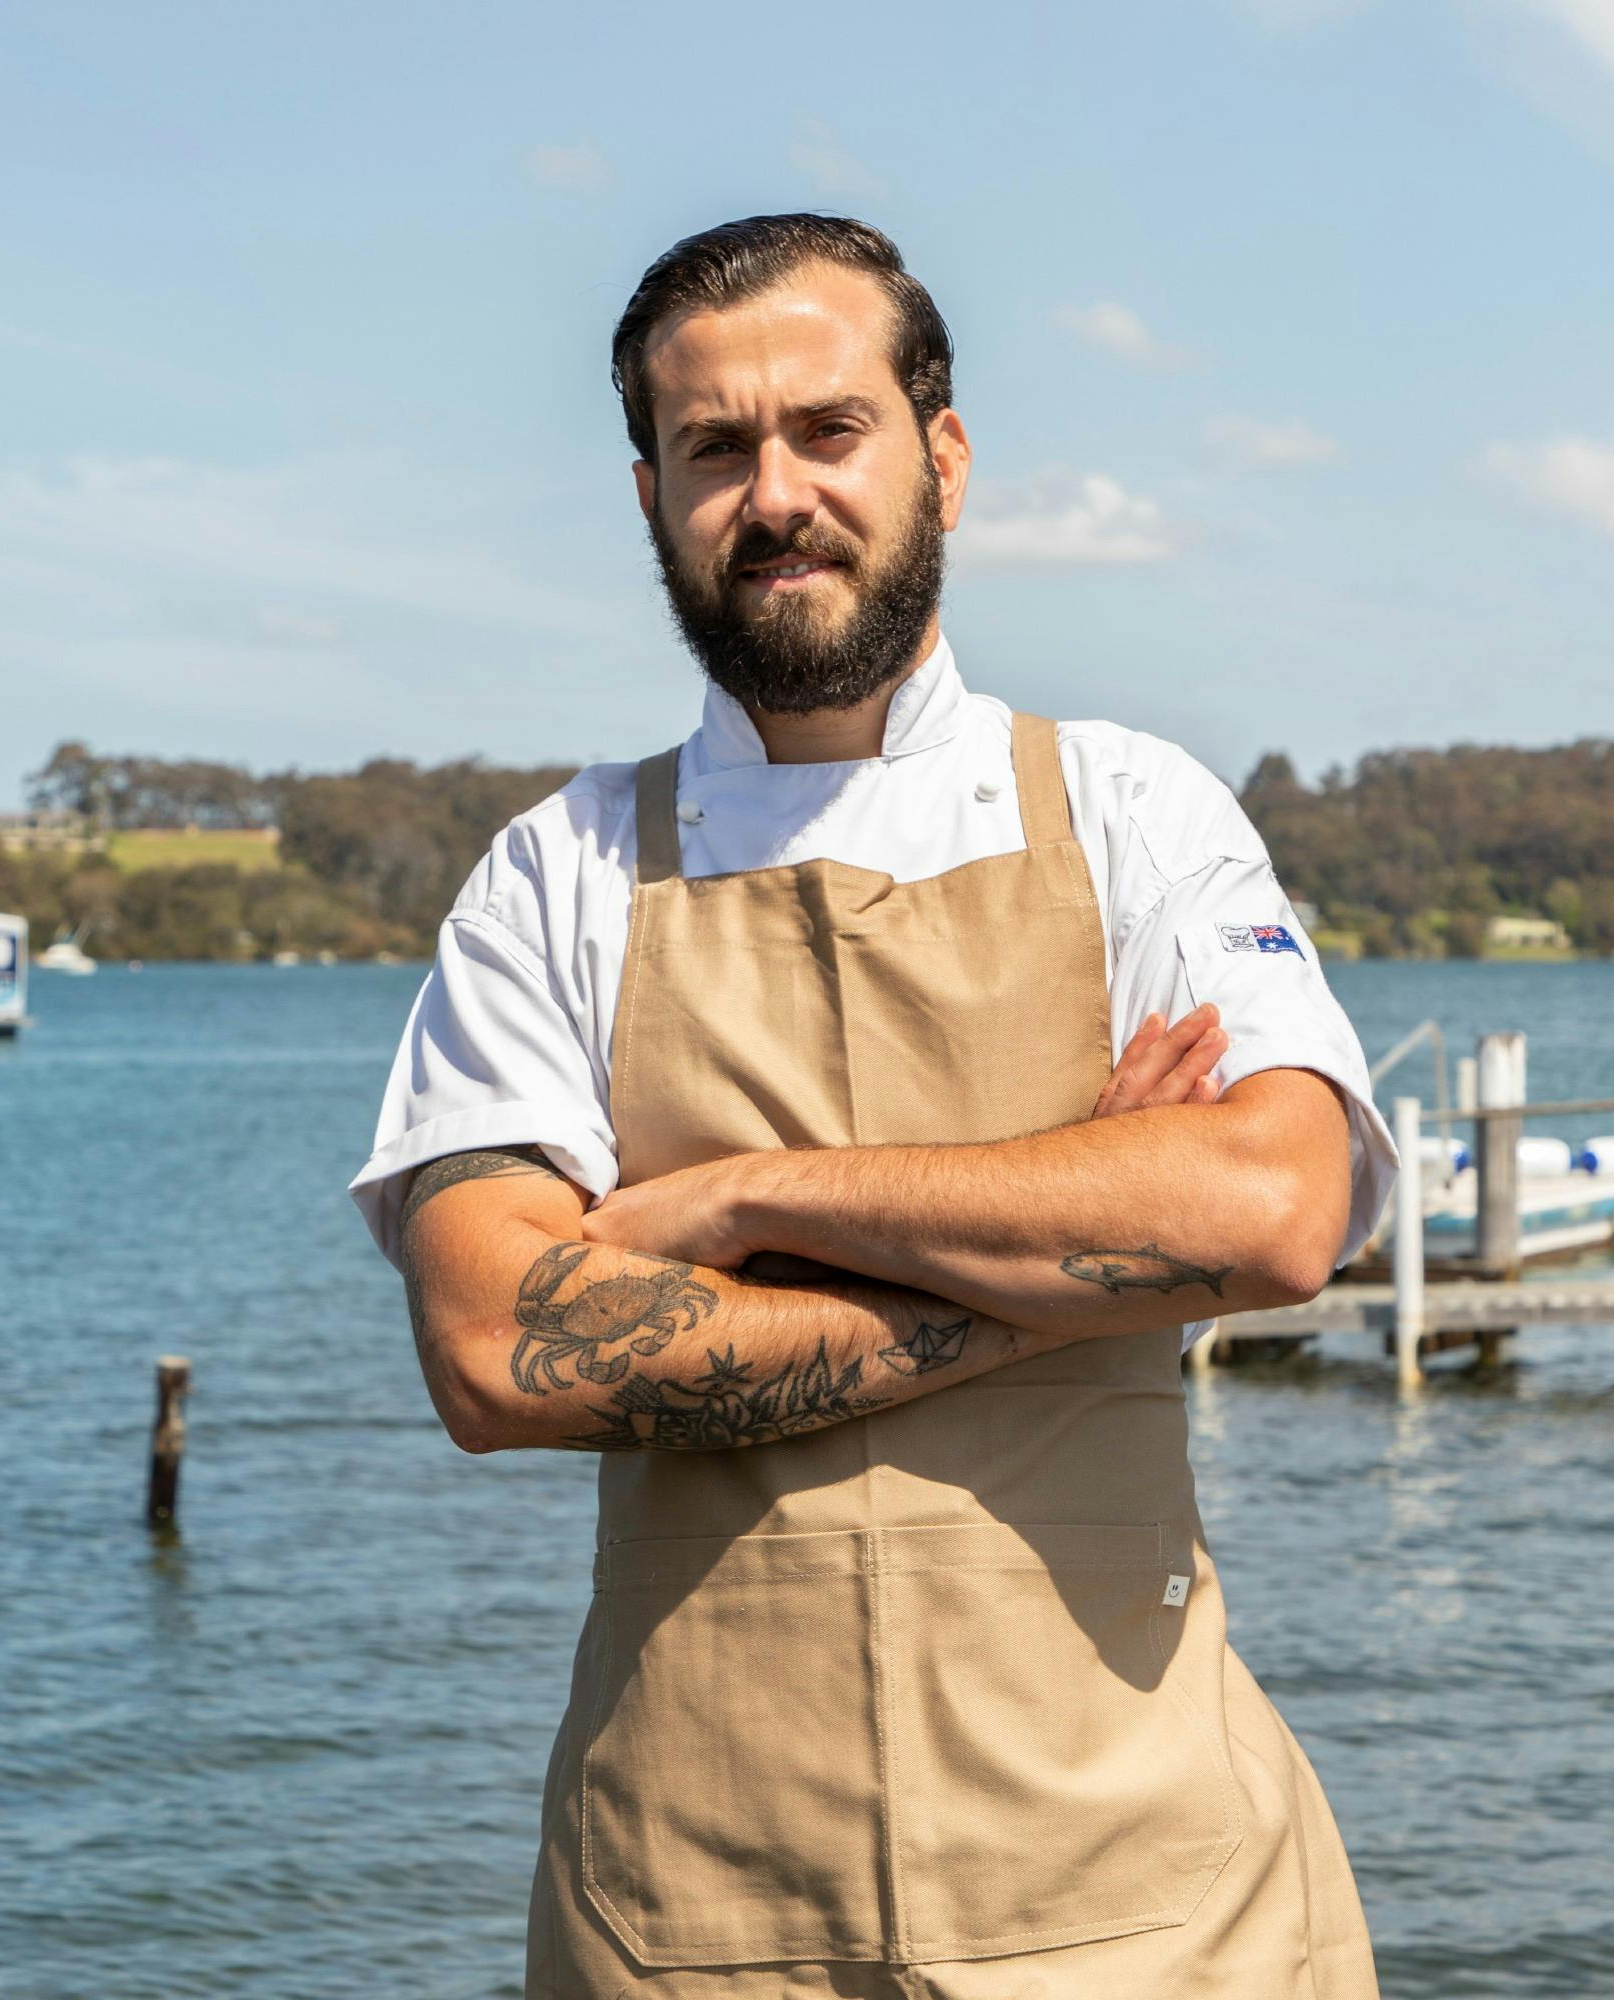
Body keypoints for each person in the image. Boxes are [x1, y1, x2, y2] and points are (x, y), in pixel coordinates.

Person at [350, 214, 1392, 1998]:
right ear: (650, 491)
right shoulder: (555, 873)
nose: (776, 493)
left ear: (945, 458)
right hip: (687, 1924)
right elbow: (504, 1354)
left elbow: (1278, 1207)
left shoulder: (1136, 814)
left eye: (830, 430)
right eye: (715, 447)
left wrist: (746, 1197)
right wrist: (1058, 1252)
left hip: (1159, 1913)